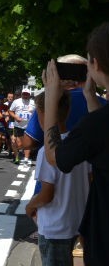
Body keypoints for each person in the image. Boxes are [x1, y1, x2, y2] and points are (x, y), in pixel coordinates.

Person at [43, 22, 109, 265]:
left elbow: (56, 157)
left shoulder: (98, 123)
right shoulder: (99, 121)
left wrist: (51, 97)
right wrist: (90, 96)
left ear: (96, 65)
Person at [26, 91, 90, 266]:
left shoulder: (46, 151)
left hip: (55, 227)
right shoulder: (81, 143)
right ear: (67, 111)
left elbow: (47, 194)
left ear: (43, 114)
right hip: (77, 220)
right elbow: (90, 181)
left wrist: (30, 206)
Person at [9, 88, 36, 164]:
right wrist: (15, 117)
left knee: (28, 142)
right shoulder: (16, 102)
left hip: (29, 126)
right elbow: (10, 111)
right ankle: (17, 155)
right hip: (18, 125)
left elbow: (38, 112)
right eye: (24, 94)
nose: (25, 95)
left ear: (29, 95)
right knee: (19, 144)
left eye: (27, 94)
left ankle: (26, 159)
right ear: (21, 94)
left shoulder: (33, 102)